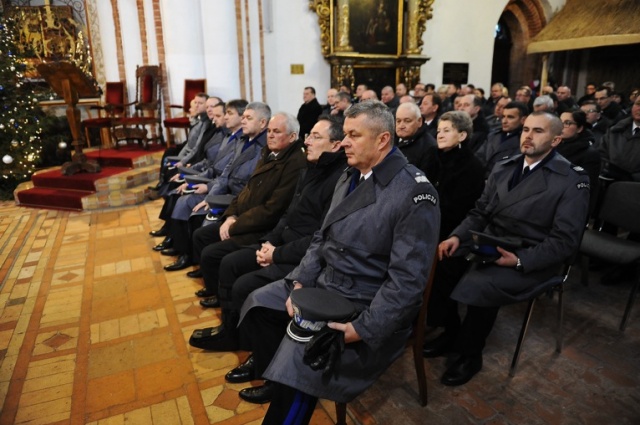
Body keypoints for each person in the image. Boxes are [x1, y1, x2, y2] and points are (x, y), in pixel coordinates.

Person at [234, 101, 439, 421]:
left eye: (354, 135)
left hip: (361, 299)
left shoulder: (412, 192)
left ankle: (287, 391)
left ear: (382, 140)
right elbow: (321, 239)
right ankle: (276, 377)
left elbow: (406, 281)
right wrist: (300, 280)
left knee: (299, 354)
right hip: (325, 281)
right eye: (344, 134)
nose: (344, 143)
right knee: (258, 302)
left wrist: (364, 327)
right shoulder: (350, 174)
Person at [424, 111, 590, 386]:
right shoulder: (505, 165)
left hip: (530, 254)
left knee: (481, 283)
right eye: (526, 129)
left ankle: (469, 353)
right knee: (443, 260)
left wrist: (519, 261)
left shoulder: (570, 180)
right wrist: (457, 236)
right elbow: (479, 212)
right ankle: (451, 330)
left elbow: (565, 241)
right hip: (491, 241)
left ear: (557, 139)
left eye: (538, 131)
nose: (527, 135)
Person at [188, 115, 347, 350]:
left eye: (316, 136)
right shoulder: (310, 169)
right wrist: (268, 242)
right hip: (276, 241)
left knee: (242, 282)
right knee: (230, 263)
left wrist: (276, 252)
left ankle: (250, 345)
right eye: (309, 135)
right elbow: (286, 215)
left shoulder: (331, 177)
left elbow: (315, 235)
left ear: (335, 145)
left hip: (295, 254)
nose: (308, 142)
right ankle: (230, 330)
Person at [189, 112, 307, 296]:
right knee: (201, 235)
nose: (270, 135)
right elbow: (247, 189)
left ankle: (219, 295)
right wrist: (230, 216)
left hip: (259, 228)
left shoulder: (295, 164)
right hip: (243, 219)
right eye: (269, 131)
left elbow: (272, 210)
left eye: (277, 131)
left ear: (292, 136)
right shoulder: (268, 153)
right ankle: (210, 282)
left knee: (213, 253)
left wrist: (235, 225)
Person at [476, 101, 528, 177]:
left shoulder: (524, 141)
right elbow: (479, 156)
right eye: (503, 116)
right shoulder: (493, 135)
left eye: (510, 117)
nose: (504, 121)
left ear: (523, 120)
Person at [394, 102, 439, 183]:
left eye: (407, 121)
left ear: (419, 121)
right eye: (398, 121)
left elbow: (424, 182)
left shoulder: (429, 147)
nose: (401, 126)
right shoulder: (390, 139)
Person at [599, 96, 640, 182]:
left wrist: (631, 178)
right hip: (610, 186)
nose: (639, 108)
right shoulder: (614, 131)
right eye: (638, 104)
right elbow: (601, 155)